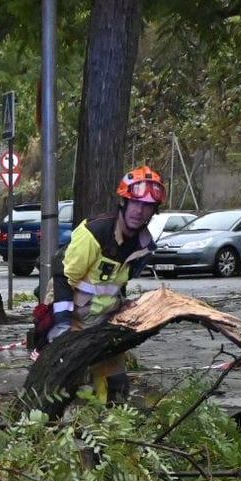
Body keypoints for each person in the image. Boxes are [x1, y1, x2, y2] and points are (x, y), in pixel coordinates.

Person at [47, 165, 167, 403]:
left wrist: (125, 312)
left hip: (104, 323)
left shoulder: (143, 245)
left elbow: (118, 284)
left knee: (117, 387)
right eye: (135, 203)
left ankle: (110, 433)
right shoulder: (94, 233)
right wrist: (62, 325)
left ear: (153, 211)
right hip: (74, 319)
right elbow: (62, 276)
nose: (140, 211)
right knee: (73, 387)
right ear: (123, 202)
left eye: (147, 206)